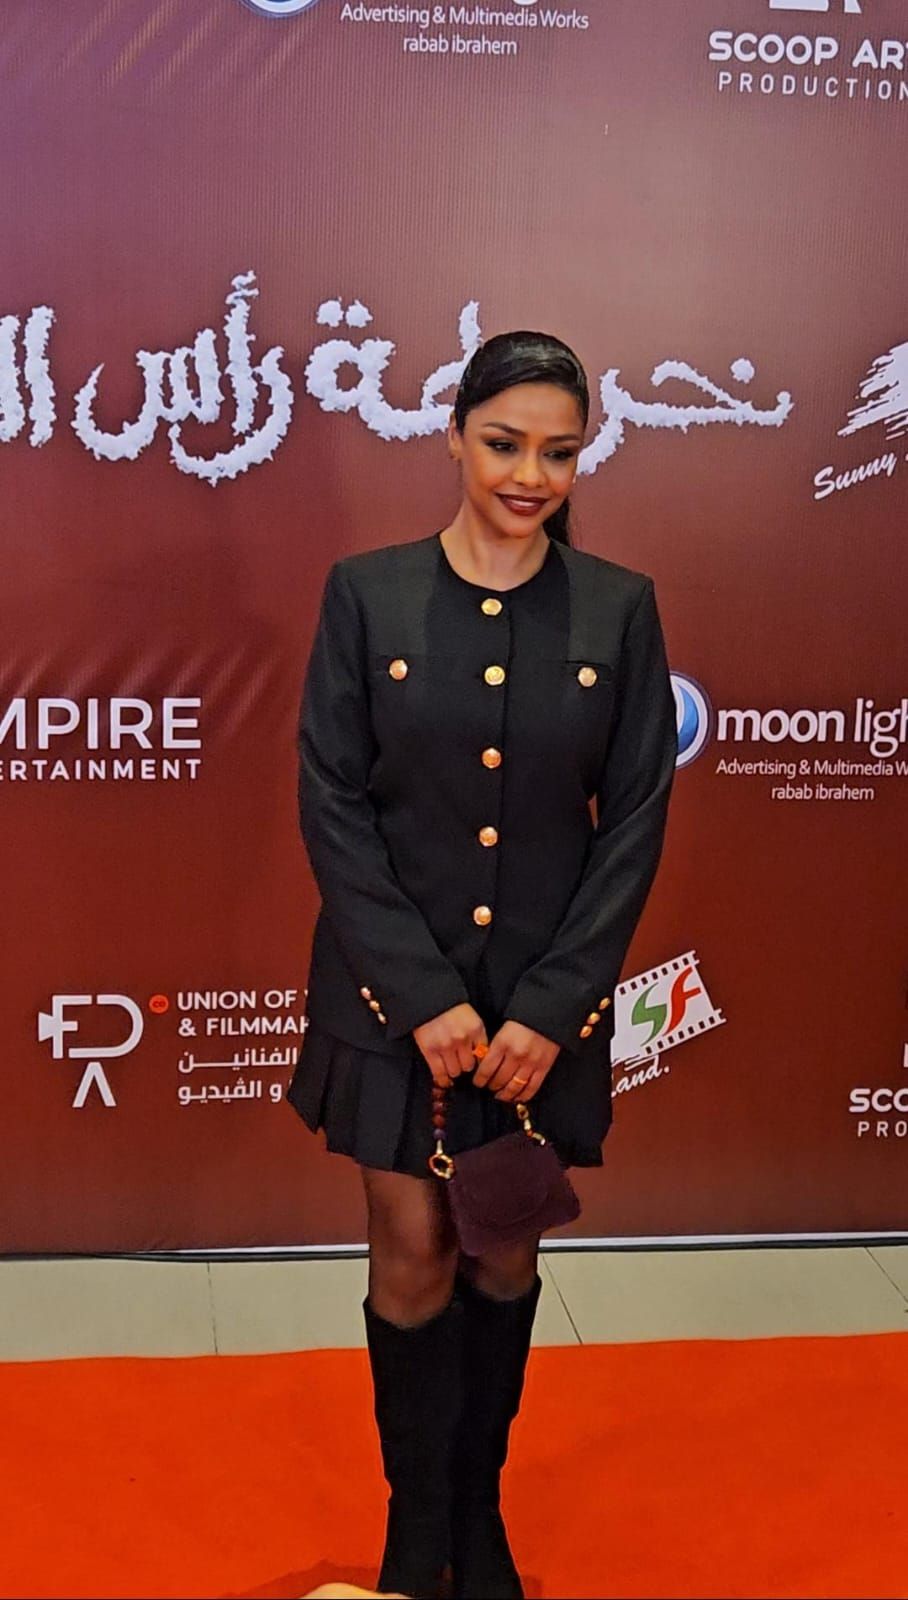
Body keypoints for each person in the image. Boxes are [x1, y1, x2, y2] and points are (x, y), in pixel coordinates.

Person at [286, 330, 678, 1600]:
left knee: (504, 1249)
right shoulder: (367, 593)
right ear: (452, 435)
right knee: (409, 1247)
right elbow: (332, 803)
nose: (528, 475)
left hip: (536, 1014)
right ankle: (416, 1525)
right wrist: (420, 996)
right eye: (503, 443)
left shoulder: (617, 607)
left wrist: (553, 1007)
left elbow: (631, 821)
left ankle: (478, 1505)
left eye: (557, 452)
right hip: (388, 995)